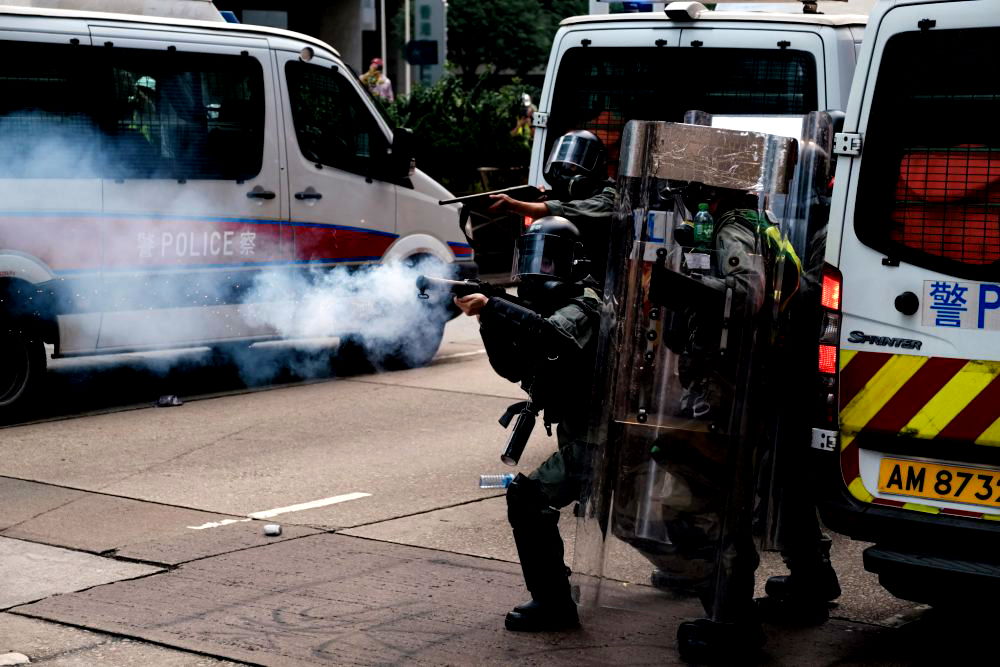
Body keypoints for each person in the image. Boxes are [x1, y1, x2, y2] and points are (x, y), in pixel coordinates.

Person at [453, 216, 600, 633]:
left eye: (548, 261)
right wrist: (487, 318)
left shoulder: (586, 303)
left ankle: (554, 605)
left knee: (527, 499)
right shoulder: (546, 307)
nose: (538, 271)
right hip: (585, 433)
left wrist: (496, 305)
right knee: (626, 517)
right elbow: (512, 368)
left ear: (572, 263)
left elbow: (555, 336)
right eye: (531, 259)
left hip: (606, 438)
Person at [489, 130, 616, 285]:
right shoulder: (566, 196)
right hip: (565, 281)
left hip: (598, 286)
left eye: (572, 166)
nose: (564, 170)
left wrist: (514, 205)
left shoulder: (611, 195)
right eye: (561, 164)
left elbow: (572, 210)